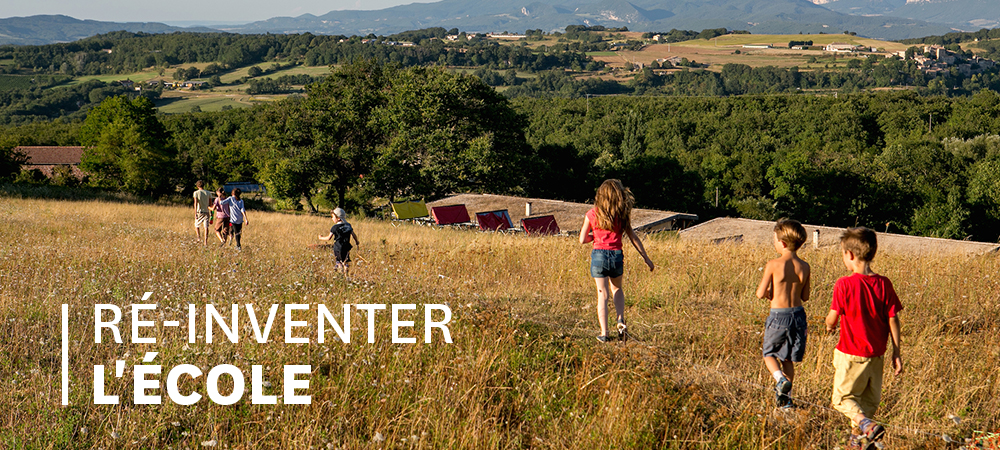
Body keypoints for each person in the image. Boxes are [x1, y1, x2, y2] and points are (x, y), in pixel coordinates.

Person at [825, 227, 903, 449]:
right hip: (877, 356)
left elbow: (832, 318)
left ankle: (864, 426)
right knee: (866, 405)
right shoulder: (884, 283)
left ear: (849, 255)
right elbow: (893, 319)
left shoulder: (844, 284)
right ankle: (858, 442)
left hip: (850, 354)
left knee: (842, 399)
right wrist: (896, 352)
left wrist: (829, 325)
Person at [578, 179, 654, 343]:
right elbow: (633, 238)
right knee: (617, 289)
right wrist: (646, 258)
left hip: (598, 255)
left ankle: (604, 333)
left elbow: (582, 239)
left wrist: (595, 237)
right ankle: (620, 320)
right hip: (617, 256)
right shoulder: (621, 215)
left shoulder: (592, 214)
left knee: (602, 294)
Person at [755, 219, 811, 409]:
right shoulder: (805, 266)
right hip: (798, 316)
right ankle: (786, 400)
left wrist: (770, 293)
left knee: (768, 353)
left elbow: (760, 293)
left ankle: (779, 380)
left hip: (779, 315)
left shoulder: (773, 264)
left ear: (783, 243)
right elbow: (806, 296)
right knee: (787, 359)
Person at [319, 208, 359, 273]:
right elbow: (354, 235)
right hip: (346, 247)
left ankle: (341, 273)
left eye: (333, 217)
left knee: (339, 261)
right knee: (346, 261)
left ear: (338, 218)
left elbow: (328, 238)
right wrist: (357, 242)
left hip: (338, 247)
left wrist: (321, 238)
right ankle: (346, 274)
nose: (332, 218)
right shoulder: (348, 226)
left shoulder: (334, 227)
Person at [193, 180, 212, 246]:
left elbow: (195, 203)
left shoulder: (196, 193)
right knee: (206, 227)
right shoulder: (208, 193)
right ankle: (205, 242)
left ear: (197, 186)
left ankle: (198, 237)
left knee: (196, 225)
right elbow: (210, 204)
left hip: (199, 211)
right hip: (207, 211)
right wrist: (211, 212)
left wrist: (195, 213)